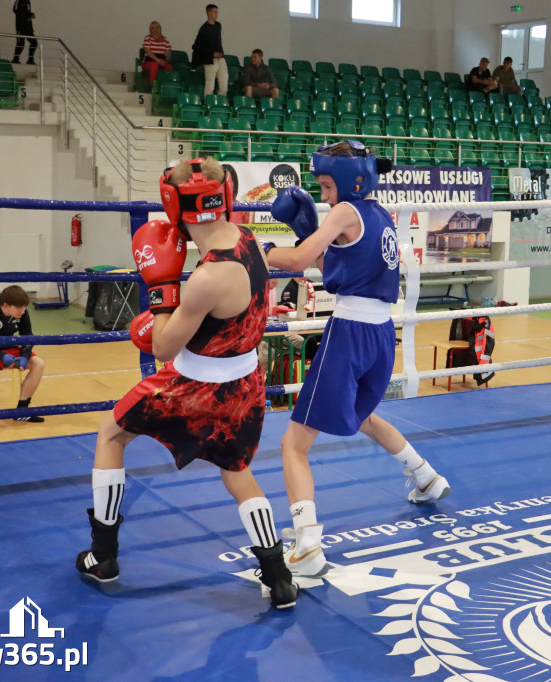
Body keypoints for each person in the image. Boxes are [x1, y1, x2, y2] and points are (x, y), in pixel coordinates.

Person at [75, 158, 297, 609]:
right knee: (236, 471)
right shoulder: (249, 239)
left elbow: (161, 347)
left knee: (110, 435)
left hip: (195, 384)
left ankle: (104, 556)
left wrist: (159, 287)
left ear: (171, 204)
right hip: (247, 383)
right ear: (225, 195)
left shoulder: (206, 278)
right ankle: (279, 578)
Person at [265, 141, 452, 579]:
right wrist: (306, 229)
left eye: (328, 185)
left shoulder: (344, 212)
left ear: (351, 181)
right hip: (381, 336)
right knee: (364, 416)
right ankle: (425, 476)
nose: (325, 194)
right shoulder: (379, 215)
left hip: (348, 332)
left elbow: (296, 262)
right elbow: (338, 266)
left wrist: (258, 251)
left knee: (293, 445)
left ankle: (308, 543)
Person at [0, 285, 45, 431]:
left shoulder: (22, 313)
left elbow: (27, 337)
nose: (23, 311)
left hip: (7, 348)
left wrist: (25, 356)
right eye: (19, 308)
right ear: (6, 305)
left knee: (39, 364)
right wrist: (0, 356)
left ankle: (21, 411)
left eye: (24, 308)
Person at [192, 4, 227, 98]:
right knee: (210, 86)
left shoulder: (218, 25)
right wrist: (212, 53)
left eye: (217, 12)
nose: (216, 14)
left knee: (224, 84)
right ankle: (209, 104)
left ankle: (219, 104)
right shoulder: (204, 29)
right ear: (208, 12)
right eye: (214, 12)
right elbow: (198, 45)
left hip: (221, 58)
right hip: (210, 59)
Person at [141, 21, 173, 85]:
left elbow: (168, 53)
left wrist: (165, 61)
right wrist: (158, 60)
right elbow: (147, 51)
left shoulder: (165, 40)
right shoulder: (148, 38)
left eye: (157, 27)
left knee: (169, 67)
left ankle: (166, 86)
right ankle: (154, 86)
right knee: (154, 65)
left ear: (160, 29)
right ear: (150, 30)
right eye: (153, 28)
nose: (155, 30)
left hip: (161, 62)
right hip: (149, 62)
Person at [11, 0, 37, 65]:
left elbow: (27, 12)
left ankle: (30, 59)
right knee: (20, 44)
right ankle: (15, 59)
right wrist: (28, 16)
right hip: (20, 27)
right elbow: (16, 11)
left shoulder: (28, 1)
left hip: (28, 28)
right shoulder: (18, 1)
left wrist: (31, 15)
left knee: (34, 43)